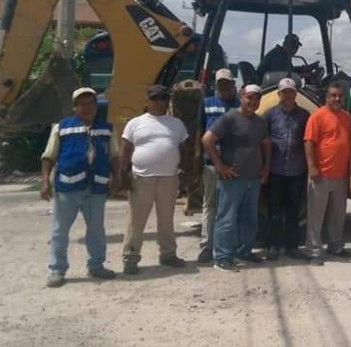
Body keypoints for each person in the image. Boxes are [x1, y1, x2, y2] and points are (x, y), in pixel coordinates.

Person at [40, 87, 118, 288]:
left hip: (96, 187)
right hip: (68, 186)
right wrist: (44, 181)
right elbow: (49, 156)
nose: (87, 108)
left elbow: (114, 156)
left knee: (96, 229)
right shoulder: (61, 127)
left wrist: (118, 178)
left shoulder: (107, 128)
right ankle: (57, 269)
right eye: (82, 104)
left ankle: (96, 265)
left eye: (91, 103)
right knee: (60, 230)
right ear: (74, 107)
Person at [120, 84, 190, 275]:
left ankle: (168, 254)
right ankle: (130, 258)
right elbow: (125, 149)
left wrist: (184, 172)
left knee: (166, 219)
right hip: (141, 177)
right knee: (136, 220)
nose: (159, 102)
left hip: (169, 178)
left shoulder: (177, 124)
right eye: (155, 98)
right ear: (147, 101)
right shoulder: (135, 123)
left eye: (163, 98)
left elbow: (184, 149)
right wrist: (123, 174)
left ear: (167, 101)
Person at [202, 84, 271, 272]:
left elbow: (265, 143)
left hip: (253, 179)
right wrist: (219, 165)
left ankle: (244, 251)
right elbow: (207, 139)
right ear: (241, 96)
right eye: (249, 97)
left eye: (257, 98)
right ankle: (222, 257)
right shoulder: (229, 118)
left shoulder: (260, 122)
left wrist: (266, 167)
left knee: (249, 219)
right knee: (227, 218)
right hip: (232, 179)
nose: (253, 102)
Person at [304, 83, 351, 266]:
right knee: (316, 215)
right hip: (321, 174)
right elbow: (309, 142)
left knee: (338, 214)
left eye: (340, 95)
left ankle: (336, 246)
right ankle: (314, 251)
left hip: (340, 175)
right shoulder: (317, 116)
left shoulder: (347, 118)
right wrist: (312, 166)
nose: (337, 99)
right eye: (333, 95)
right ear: (326, 97)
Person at [197, 68, 241, 264]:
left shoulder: (240, 105)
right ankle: (207, 247)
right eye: (221, 83)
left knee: (231, 207)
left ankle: (230, 245)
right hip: (211, 163)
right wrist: (197, 157)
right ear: (216, 84)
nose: (224, 86)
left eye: (228, 83)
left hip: (234, 164)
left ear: (233, 84)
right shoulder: (206, 104)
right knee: (210, 205)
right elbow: (200, 129)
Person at [263, 78, 310, 261]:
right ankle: (273, 246)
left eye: (291, 92)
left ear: (295, 94)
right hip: (275, 170)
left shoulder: (305, 115)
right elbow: (263, 139)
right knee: (274, 210)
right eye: (285, 92)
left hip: (296, 171)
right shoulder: (269, 115)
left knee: (293, 210)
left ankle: (292, 246)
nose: (288, 95)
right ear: (279, 94)